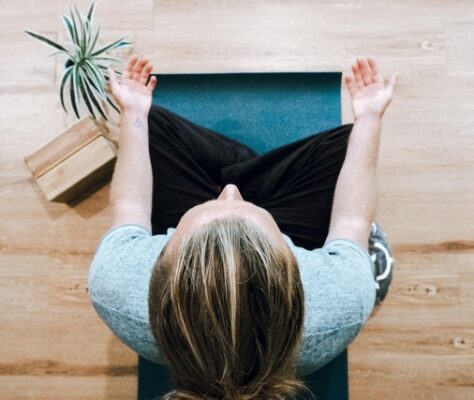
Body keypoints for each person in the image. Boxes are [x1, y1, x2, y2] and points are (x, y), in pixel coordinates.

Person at [88, 55, 397, 400]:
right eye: (245, 207)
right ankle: (251, 167)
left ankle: (241, 163)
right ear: (295, 266)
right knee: (346, 145)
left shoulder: (116, 285)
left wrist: (133, 112)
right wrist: (369, 117)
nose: (231, 193)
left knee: (152, 124)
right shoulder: (340, 300)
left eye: (218, 203)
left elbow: (130, 206)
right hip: (306, 233)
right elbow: (351, 221)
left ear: (158, 263)